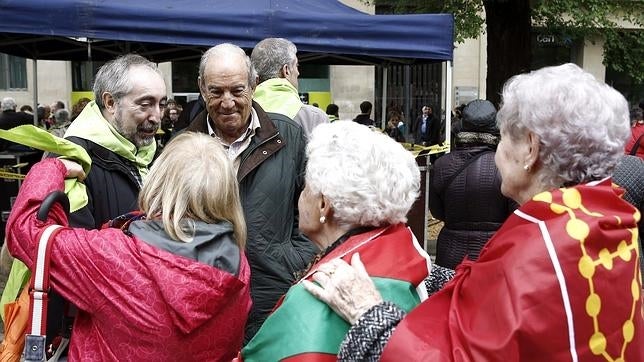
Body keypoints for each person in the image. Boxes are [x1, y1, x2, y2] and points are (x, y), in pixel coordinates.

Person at [304, 63, 643, 360]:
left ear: (529, 148)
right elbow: (511, 310)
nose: (498, 149)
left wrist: (368, 314)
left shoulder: (540, 246)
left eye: (503, 138)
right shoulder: (600, 218)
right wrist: (432, 275)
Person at [5, 132, 252, 361]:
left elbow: (26, 231)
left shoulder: (114, 257)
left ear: (158, 180)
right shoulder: (238, 263)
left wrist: (51, 168)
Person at [1, 53, 167, 356]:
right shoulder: (74, 158)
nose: (156, 115)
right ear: (110, 102)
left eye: (161, 103)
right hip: (85, 335)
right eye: (145, 104)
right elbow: (73, 260)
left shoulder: (145, 152)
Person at [241, 121, 432, 360]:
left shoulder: (315, 293)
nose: (300, 197)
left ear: (324, 204)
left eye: (305, 189)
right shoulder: (399, 248)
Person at [184, 43, 316, 341]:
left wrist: (291, 260)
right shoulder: (183, 146)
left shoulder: (288, 135)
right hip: (203, 301)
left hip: (273, 295)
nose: (227, 102)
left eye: (237, 90)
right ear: (201, 89)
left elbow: (313, 208)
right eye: (216, 92)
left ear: (254, 85)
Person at [429, 99, 517, 269]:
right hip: (493, 251)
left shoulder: (442, 165)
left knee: (450, 294)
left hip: (451, 251)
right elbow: (515, 213)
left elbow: (437, 211)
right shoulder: (507, 166)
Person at [251, 37, 328, 139]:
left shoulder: (244, 115)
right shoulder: (314, 118)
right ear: (286, 70)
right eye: (297, 66)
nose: (298, 72)